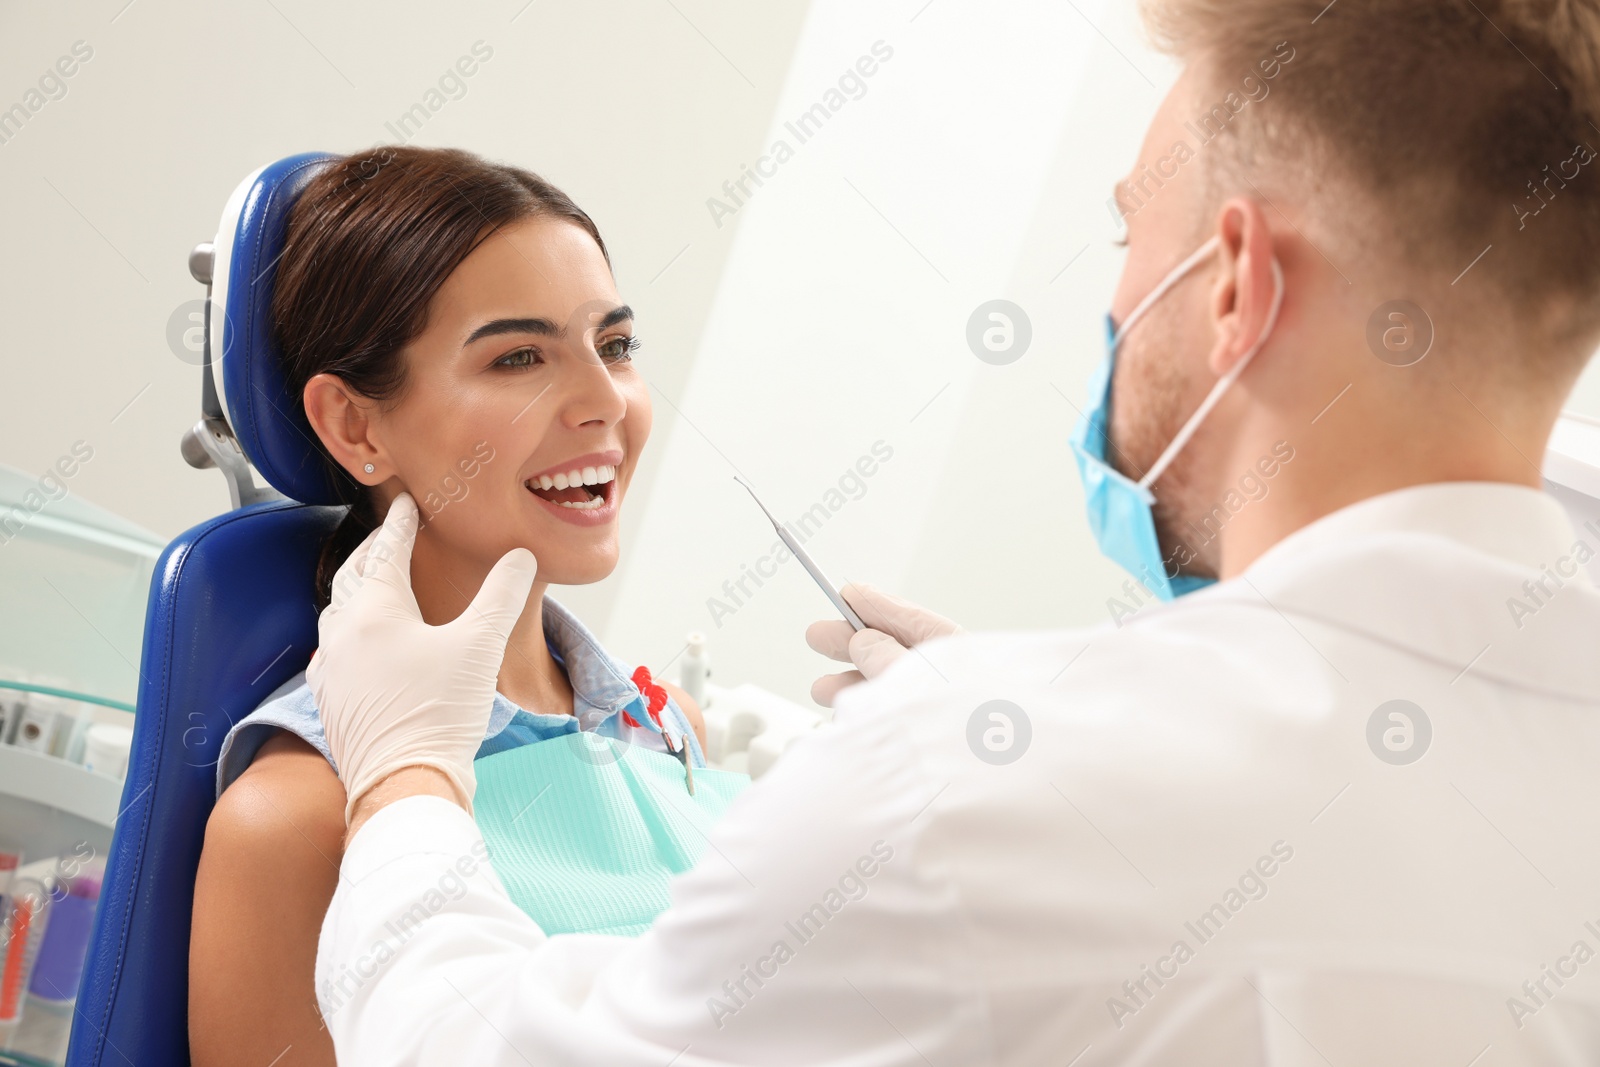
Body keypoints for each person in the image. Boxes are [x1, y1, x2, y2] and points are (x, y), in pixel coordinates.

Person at [309, 0, 1600, 1062]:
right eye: (521, 352)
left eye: (1123, 237)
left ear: (1240, 288)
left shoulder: (969, 792)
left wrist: (406, 776)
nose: (598, 398)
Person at [187, 147, 708, 1067]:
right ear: (355, 424)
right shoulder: (299, 819)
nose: (604, 403)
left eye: (615, 346)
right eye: (518, 357)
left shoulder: (662, 736)